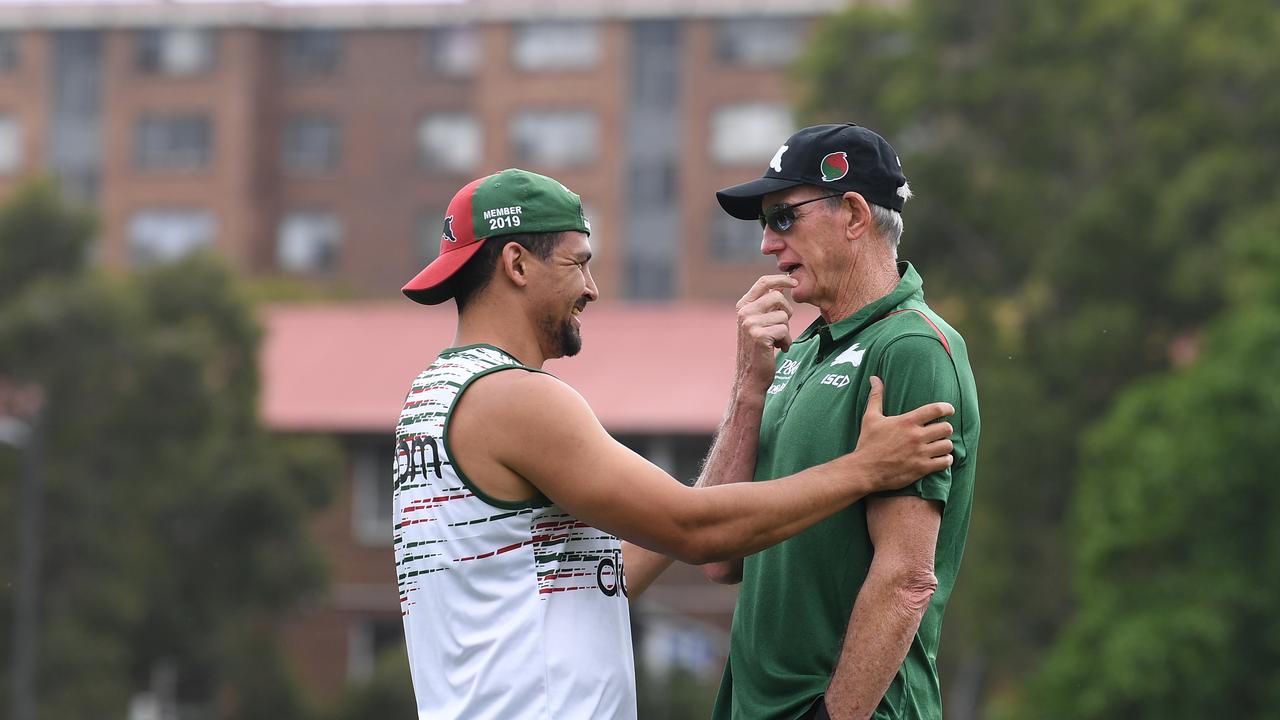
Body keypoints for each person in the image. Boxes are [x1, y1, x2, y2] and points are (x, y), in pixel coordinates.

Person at [393, 167, 957, 719]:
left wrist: (746, 398)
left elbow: (605, 577)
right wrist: (865, 469)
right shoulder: (515, 399)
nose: (590, 289)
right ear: (517, 263)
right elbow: (694, 529)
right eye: (579, 264)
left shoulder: (432, 400)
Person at [705, 124, 982, 720]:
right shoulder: (801, 348)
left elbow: (907, 578)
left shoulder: (911, 347)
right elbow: (718, 554)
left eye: (782, 218)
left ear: (853, 214)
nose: (766, 245)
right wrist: (748, 389)